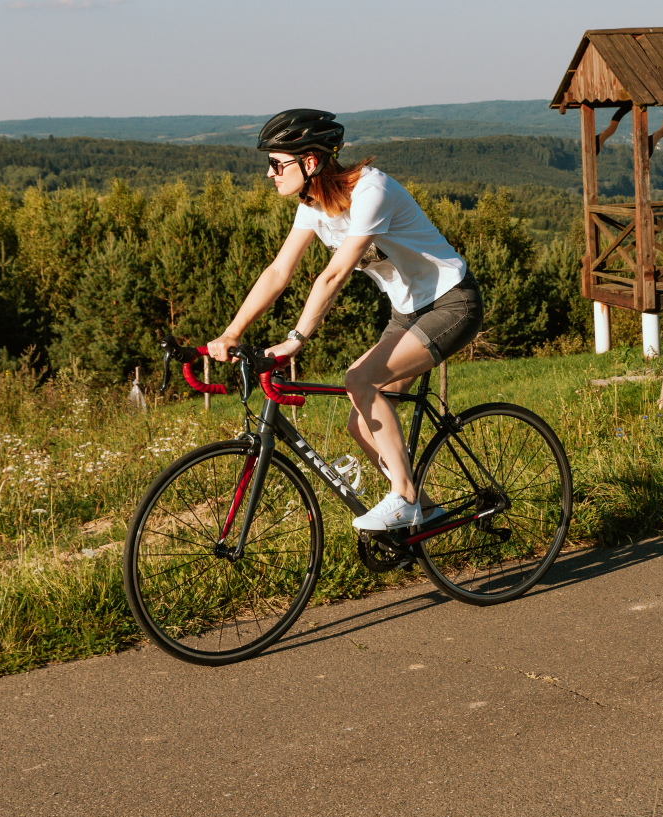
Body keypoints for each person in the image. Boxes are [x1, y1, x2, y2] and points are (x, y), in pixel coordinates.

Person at [205, 109, 483, 533]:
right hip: (406, 310)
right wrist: (232, 331)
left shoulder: (372, 191)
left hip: (451, 304)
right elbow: (279, 273)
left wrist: (296, 339)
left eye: (277, 164)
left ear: (310, 162)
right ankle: (426, 514)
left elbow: (333, 275)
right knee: (361, 422)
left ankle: (404, 497)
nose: (269, 173)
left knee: (359, 381)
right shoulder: (312, 205)